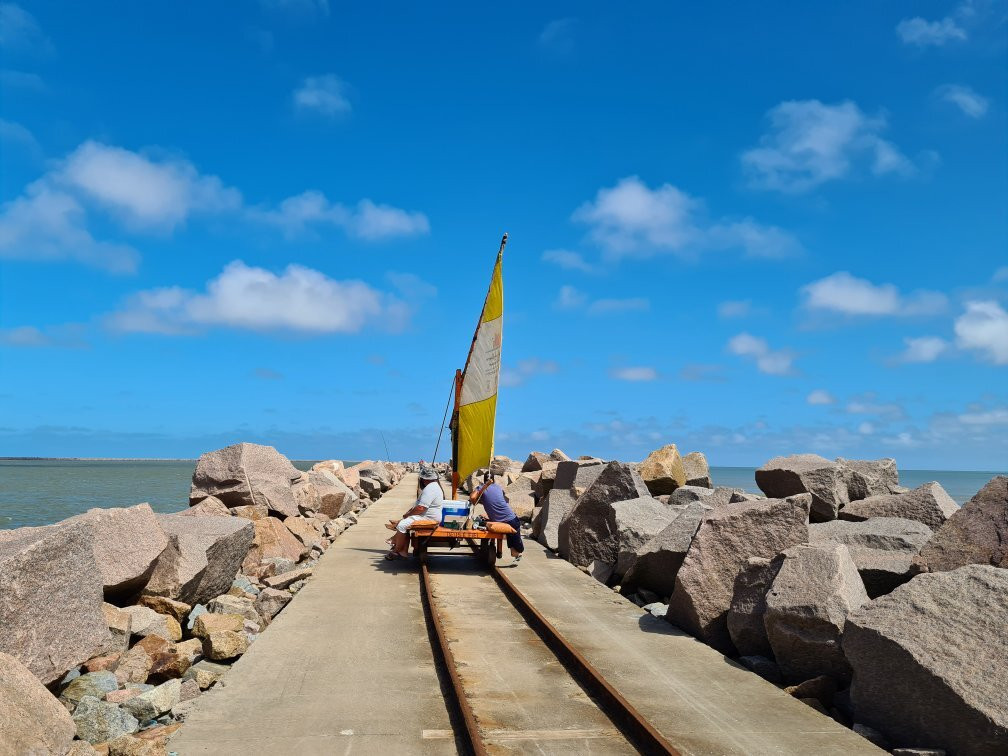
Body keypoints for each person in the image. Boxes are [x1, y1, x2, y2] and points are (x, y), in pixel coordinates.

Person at [385, 465, 444, 560]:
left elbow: (421, 508)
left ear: (425, 479)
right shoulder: (433, 487)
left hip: (428, 518)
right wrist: (408, 514)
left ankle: (396, 550)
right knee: (404, 523)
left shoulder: (430, 489)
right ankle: (402, 550)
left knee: (402, 525)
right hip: (427, 516)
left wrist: (408, 515)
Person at [470, 472, 524, 563]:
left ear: (483, 480)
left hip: (507, 520)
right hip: (512, 519)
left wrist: (481, 490)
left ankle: (507, 553)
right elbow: (499, 501)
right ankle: (504, 553)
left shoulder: (481, 488)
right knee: (515, 548)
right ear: (494, 480)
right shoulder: (498, 488)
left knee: (517, 549)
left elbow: (472, 498)